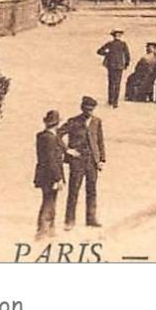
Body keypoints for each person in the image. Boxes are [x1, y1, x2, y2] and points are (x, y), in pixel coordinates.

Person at [60, 96, 105, 229]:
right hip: (77, 161)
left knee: (92, 190)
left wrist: (102, 159)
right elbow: (57, 135)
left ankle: (91, 218)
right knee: (74, 190)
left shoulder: (97, 122)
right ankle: (69, 220)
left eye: (91, 110)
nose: (89, 112)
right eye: (86, 109)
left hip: (92, 161)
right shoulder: (73, 121)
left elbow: (100, 141)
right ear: (82, 108)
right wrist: (67, 150)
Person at [33, 109, 65, 239]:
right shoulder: (51, 139)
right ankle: (42, 231)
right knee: (49, 202)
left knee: (50, 201)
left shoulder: (42, 136)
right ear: (57, 125)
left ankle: (50, 229)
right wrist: (58, 178)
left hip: (42, 174)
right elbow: (52, 161)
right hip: (50, 176)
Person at [96, 30, 130, 109]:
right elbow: (127, 55)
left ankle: (110, 100)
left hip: (111, 65)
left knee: (111, 83)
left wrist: (107, 53)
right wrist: (126, 64)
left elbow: (99, 51)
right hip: (119, 66)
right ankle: (115, 102)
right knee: (117, 84)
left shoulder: (110, 44)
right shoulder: (123, 44)